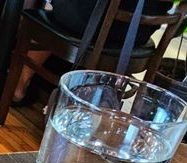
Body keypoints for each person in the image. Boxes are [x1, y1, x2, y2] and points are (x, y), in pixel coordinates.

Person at [12, 0, 168, 102]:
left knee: (50, 9)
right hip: (140, 30)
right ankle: (93, 100)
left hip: (88, 20)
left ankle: (19, 86)